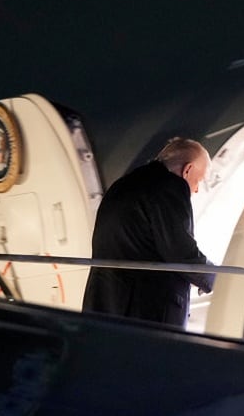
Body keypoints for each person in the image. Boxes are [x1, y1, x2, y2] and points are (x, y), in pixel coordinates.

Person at [82, 137, 214, 328]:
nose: (197, 189)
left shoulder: (124, 183)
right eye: (199, 180)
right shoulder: (170, 187)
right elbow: (180, 252)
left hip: (105, 302)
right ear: (188, 170)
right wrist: (214, 278)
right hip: (146, 311)